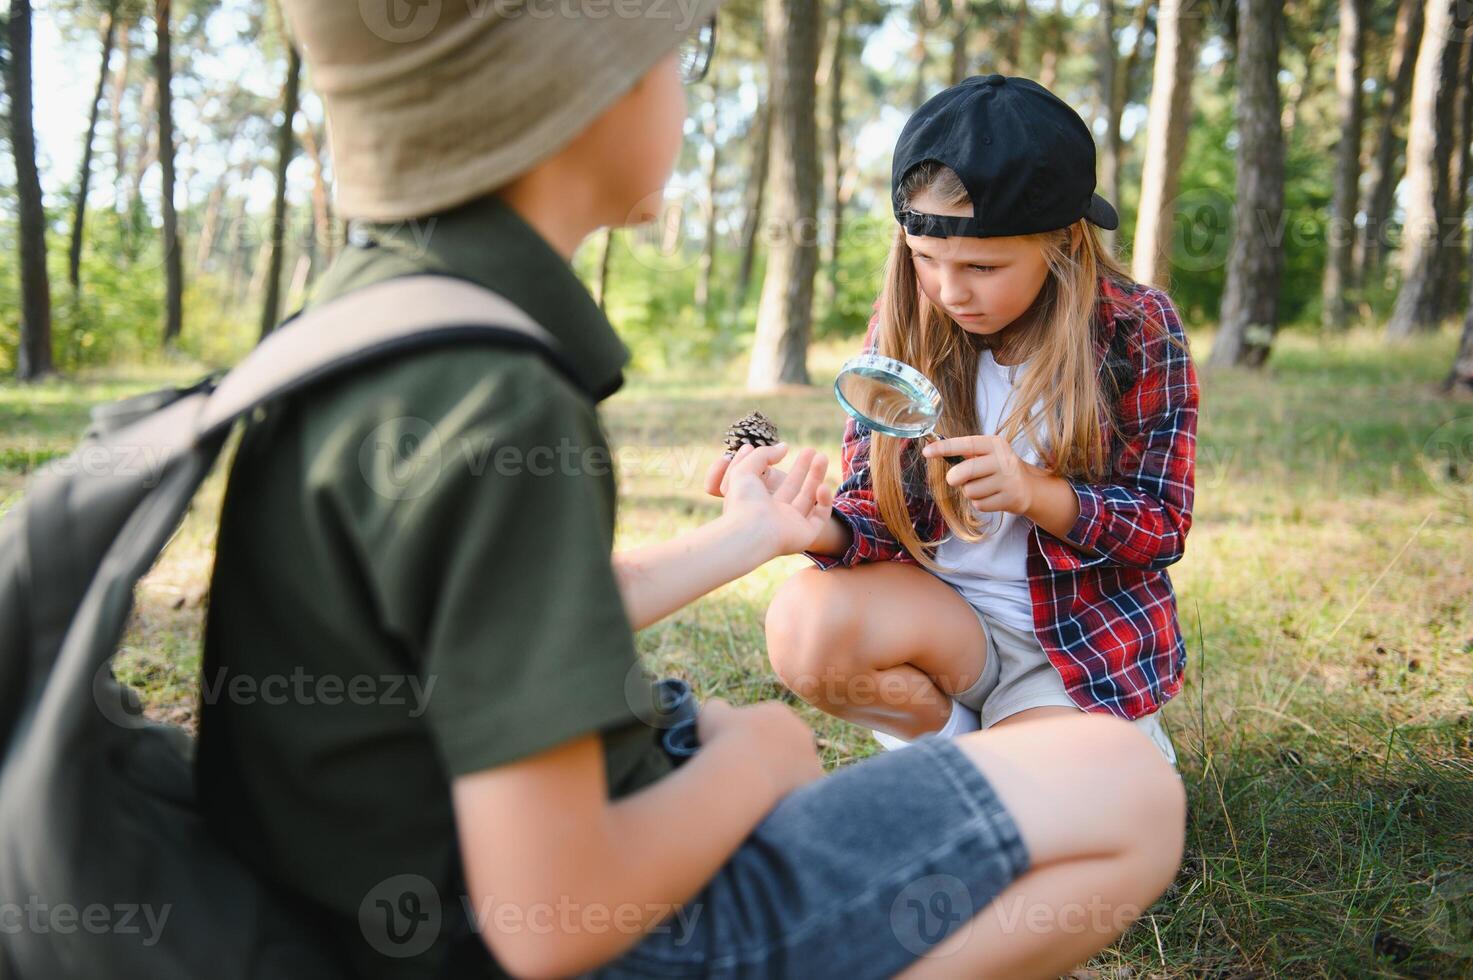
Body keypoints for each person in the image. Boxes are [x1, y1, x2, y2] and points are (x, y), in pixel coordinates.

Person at [198, 6, 1185, 977]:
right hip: (587, 926)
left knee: (1080, 765)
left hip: (391, 885)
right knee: (1135, 794)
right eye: (674, 53)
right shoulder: (495, 399)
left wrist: (754, 536)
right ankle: (1021, 760)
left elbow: (495, 623)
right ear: (594, 98)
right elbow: (547, 921)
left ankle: (1023, 746)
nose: (685, 84)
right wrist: (763, 753)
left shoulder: (383, 323)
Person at [725, 75, 1198, 766]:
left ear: (1063, 243)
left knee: (1049, 814)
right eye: (925, 261)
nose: (950, 292)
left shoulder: (1136, 328)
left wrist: (1037, 494)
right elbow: (874, 514)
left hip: (1071, 647)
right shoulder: (905, 327)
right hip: (944, 627)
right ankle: (969, 757)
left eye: (982, 265)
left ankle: (1063, 752)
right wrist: (811, 524)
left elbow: (1160, 525)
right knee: (806, 627)